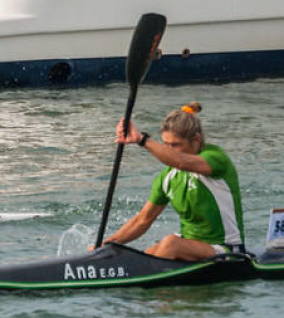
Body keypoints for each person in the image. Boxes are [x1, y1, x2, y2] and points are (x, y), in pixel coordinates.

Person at [100, 102, 245, 260]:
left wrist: (142, 140)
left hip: (227, 250)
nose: (168, 150)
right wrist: (106, 245)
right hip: (189, 246)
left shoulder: (216, 159)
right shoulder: (167, 178)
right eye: (166, 144)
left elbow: (182, 162)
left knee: (170, 243)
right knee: (144, 254)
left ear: (196, 139)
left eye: (175, 145)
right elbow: (142, 220)